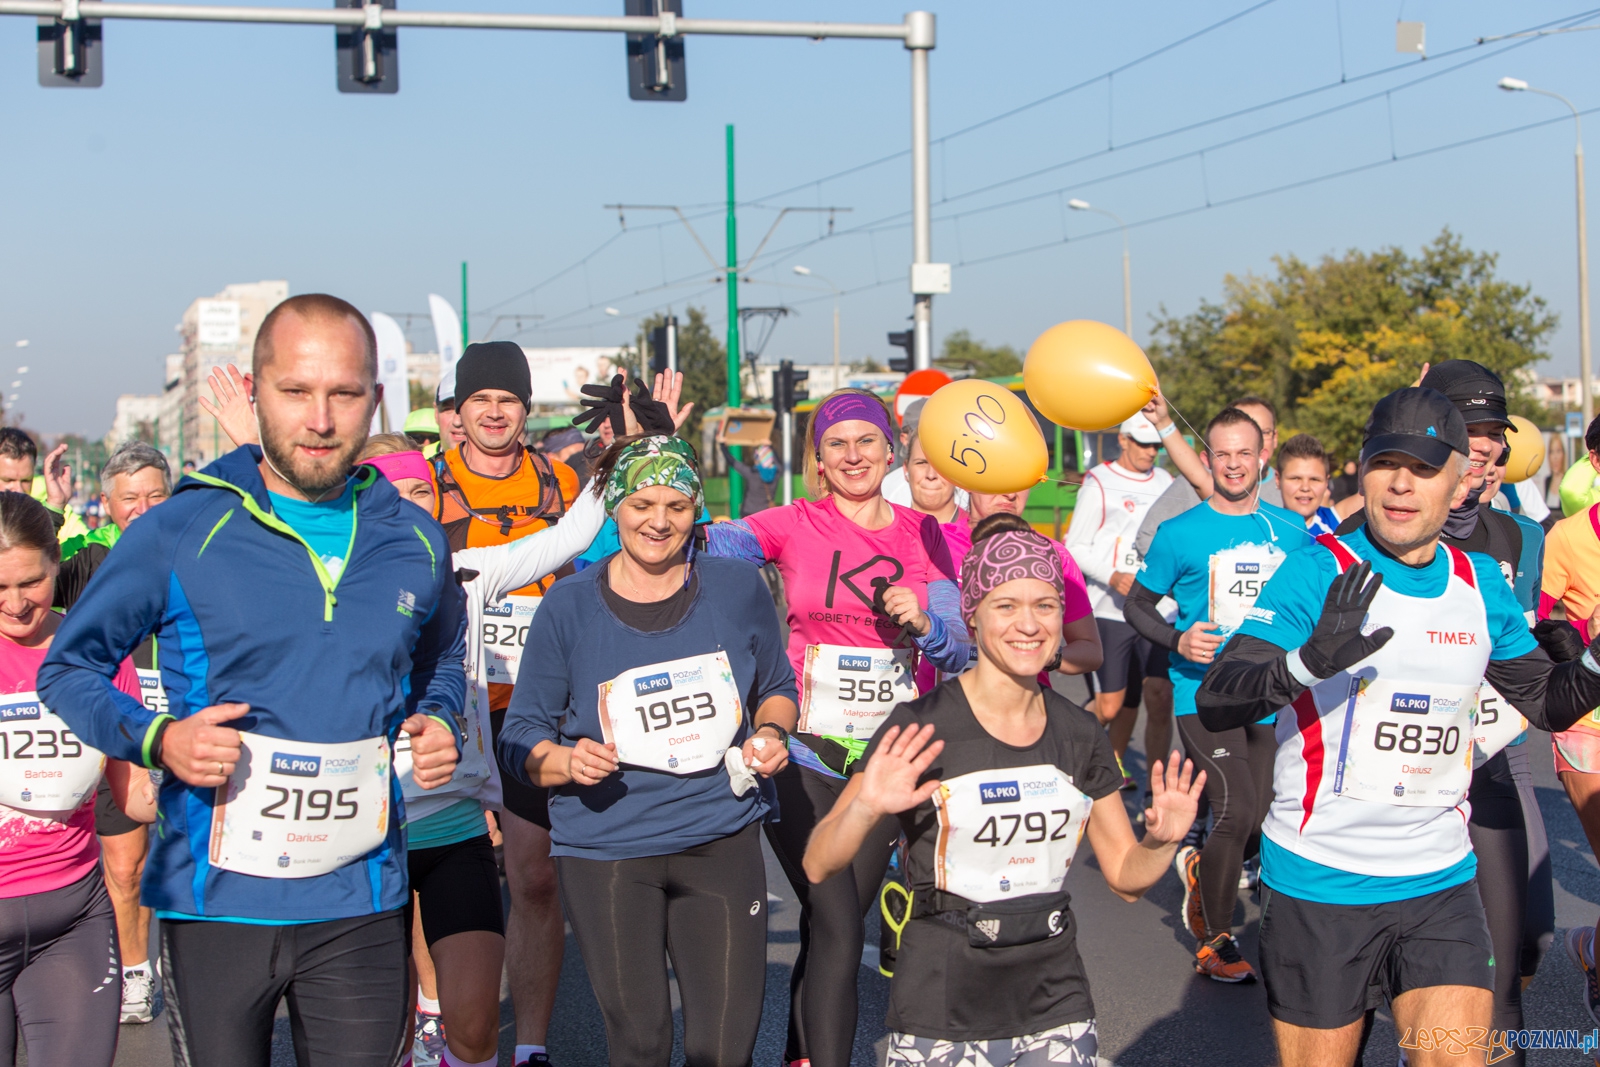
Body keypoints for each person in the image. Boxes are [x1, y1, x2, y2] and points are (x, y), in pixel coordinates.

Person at [37, 293, 468, 1067]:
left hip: (360, 897)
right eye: (296, 391)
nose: (321, 418)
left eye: (343, 393)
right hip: (216, 902)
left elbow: (441, 652)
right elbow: (67, 668)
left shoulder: (413, 538)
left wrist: (439, 715)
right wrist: (159, 737)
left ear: (374, 398)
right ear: (255, 392)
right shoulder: (181, 527)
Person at [1198, 386, 1600, 1067]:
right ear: (1362, 471)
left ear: (1459, 479)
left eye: (1423, 467)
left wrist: (1592, 659)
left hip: (1439, 879)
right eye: (1386, 463)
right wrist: (1303, 663)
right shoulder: (1320, 568)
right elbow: (1219, 698)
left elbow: (1546, 701)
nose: (1402, 483)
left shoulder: (1478, 583)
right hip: (1321, 881)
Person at [800, 515, 1205, 1067]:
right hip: (939, 1008)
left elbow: (1125, 879)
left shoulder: (1079, 732)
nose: (1029, 624)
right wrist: (867, 803)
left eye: (1045, 605)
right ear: (972, 614)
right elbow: (821, 864)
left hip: (1055, 1005)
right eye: (1006, 605)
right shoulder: (921, 727)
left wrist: (1162, 842)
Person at [499, 434, 797, 1067]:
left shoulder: (739, 587)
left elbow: (776, 688)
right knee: (640, 1042)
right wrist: (564, 762)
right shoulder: (568, 604)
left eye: (677, 506)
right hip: (608, 847)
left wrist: (771, 734)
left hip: (719, 835)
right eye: (641, 504)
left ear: (697, 510)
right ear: (614, 507)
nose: (659, 523)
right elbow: (521, 732)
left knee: (723, 1049)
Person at [700, 388, 971, 1067]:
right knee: (843, 925)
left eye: (866, 441)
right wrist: (668, 475)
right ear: (818, 460)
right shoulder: (789, 522)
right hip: (801, 755)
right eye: (836, 445)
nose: (853, 455)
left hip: (884, 766)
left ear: (891, 451)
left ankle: (800, 1053)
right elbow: (702, 541)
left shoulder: (926, 532)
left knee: (832, 925)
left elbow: (959, 650)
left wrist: (926, 622)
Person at [358, 432, 606, 1067]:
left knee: (472, 1028)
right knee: (372, 1034)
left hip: (453, 830)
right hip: (360, 838)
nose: (409, 504)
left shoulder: (468, 574)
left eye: (420, 491)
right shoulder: (327, 591)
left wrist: (628, 450)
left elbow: (571, 536)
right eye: (391, 492)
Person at [1124, 405, 1313, 982]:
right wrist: (1179, 639)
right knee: (1232, 810)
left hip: (1272, 692)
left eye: (1244, 453)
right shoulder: (1180, 534)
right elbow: (1137, 604)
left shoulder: (1293, 531)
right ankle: (1216, 940)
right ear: (1208, 460)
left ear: (1263, 459)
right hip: (1201, 693)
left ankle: (1203, 873)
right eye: (1222, 454)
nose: (1233, 464)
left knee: (1259, 815)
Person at [431, 341, 580, 1067]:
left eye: (508, 399)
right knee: (428, 864)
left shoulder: (564, 480)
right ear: (457, 412)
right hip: (449, 707)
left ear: (526, 409)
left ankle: (531, 1043)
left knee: (535, 874)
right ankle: (435, 1022)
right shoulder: (423, 485)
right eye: (480, 399)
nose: (494, 411)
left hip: (536, 708)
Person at [0, 491, 157, 1067]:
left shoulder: (95, 653)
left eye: (31, 583)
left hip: (73, 916)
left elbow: (134, 795)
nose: (16, 604)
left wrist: (193, 778)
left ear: (55, 567)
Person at [48, 441, 172, 1025]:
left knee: (199, 857)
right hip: (122, 734)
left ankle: (206, 961)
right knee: (124, 867)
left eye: (155, 495)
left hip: (195, 728)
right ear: (109, 504)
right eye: (130, 499)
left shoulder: (205, 552)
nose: (143, 508)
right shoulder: (90, 559)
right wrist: (52, 503)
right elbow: (28, 564)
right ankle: (136, 972)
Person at [1065, 397, 1203, 785]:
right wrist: (1113, 576)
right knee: (1111, 705)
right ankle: (1066, 749)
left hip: (1160, 610)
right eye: (1142, 444)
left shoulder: (1166, 483)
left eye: (1156, 445)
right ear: (1123, 441)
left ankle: (1150, 788)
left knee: (1159, 698)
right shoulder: (1098, 480)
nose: (1150, 452)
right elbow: (1074, 546)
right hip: (1110, 609)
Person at [1133, 394, 1284, 562]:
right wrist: (1190, 579)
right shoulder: (1209, 485)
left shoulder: (1291, 490)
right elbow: (1196, 475)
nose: (1234, 463)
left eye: (1263, 432)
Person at [882, 398, 970, 513]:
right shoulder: (888, 488)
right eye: (919, 433)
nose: (931, 474)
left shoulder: (966, 486)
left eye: (938, 432)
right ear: (904, 439)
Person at [1276, 433, 1343, 535]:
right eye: (1295, 478)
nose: (1305, 487)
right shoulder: (1261, 531)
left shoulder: (1338, 526)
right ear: (1278, 479)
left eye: (1314, 479)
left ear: (1326, 482)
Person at [719, 439, 779, 515]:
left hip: (748, 513)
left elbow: (733, 462)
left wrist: (723, 447)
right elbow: (778, 463)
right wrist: (770, 446)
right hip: (764, 514)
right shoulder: (776, 474)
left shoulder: (752, 474)